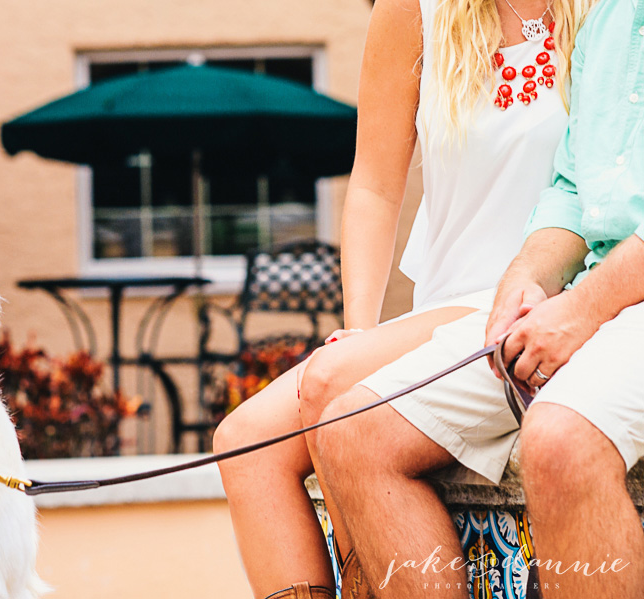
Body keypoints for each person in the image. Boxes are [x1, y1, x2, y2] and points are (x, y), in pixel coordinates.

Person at [211, 0, 594, 597]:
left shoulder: (608, 11)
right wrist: (359, 326)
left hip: (553, 297)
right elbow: (374, 184)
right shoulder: (414, 10)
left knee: (330, 384)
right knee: (245, 443)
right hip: (447, 302)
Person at [314, 0, 644, 596]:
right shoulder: (608, 16)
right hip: (580, 290)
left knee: (559, 441)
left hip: (605, 298)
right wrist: (528, 278)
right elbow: (572, 188)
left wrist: (580, 306)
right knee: (349, 432)